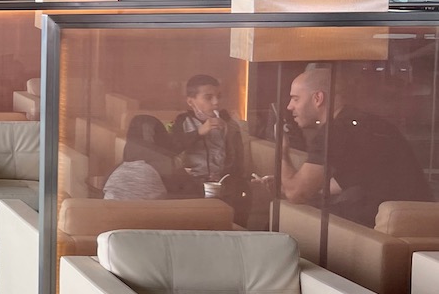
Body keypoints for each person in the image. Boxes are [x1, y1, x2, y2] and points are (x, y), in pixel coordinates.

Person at [279, 65, 429, 226]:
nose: (289, 106)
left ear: (318, 99)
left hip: (387, 224)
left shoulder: (335, 132)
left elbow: (296, 194)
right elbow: (348, 182)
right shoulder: (363, 123)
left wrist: (282, 153)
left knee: (281, 222)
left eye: (295, 99)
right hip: (416, 219)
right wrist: (288, 183)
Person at [168, 74, 246, 187]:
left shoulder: (230, 124)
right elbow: (172, 148)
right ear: (191, 102)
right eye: (208, 97)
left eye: (219, 96)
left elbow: (237, 161)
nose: (216, 102)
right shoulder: (183, 121)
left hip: (223, 182)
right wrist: (199, 132)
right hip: (191, 183)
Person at [103, 114, 200, 200]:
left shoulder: (113, 173)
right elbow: (194, 199)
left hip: (113, 217)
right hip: (153, 218)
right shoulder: (171, 173)